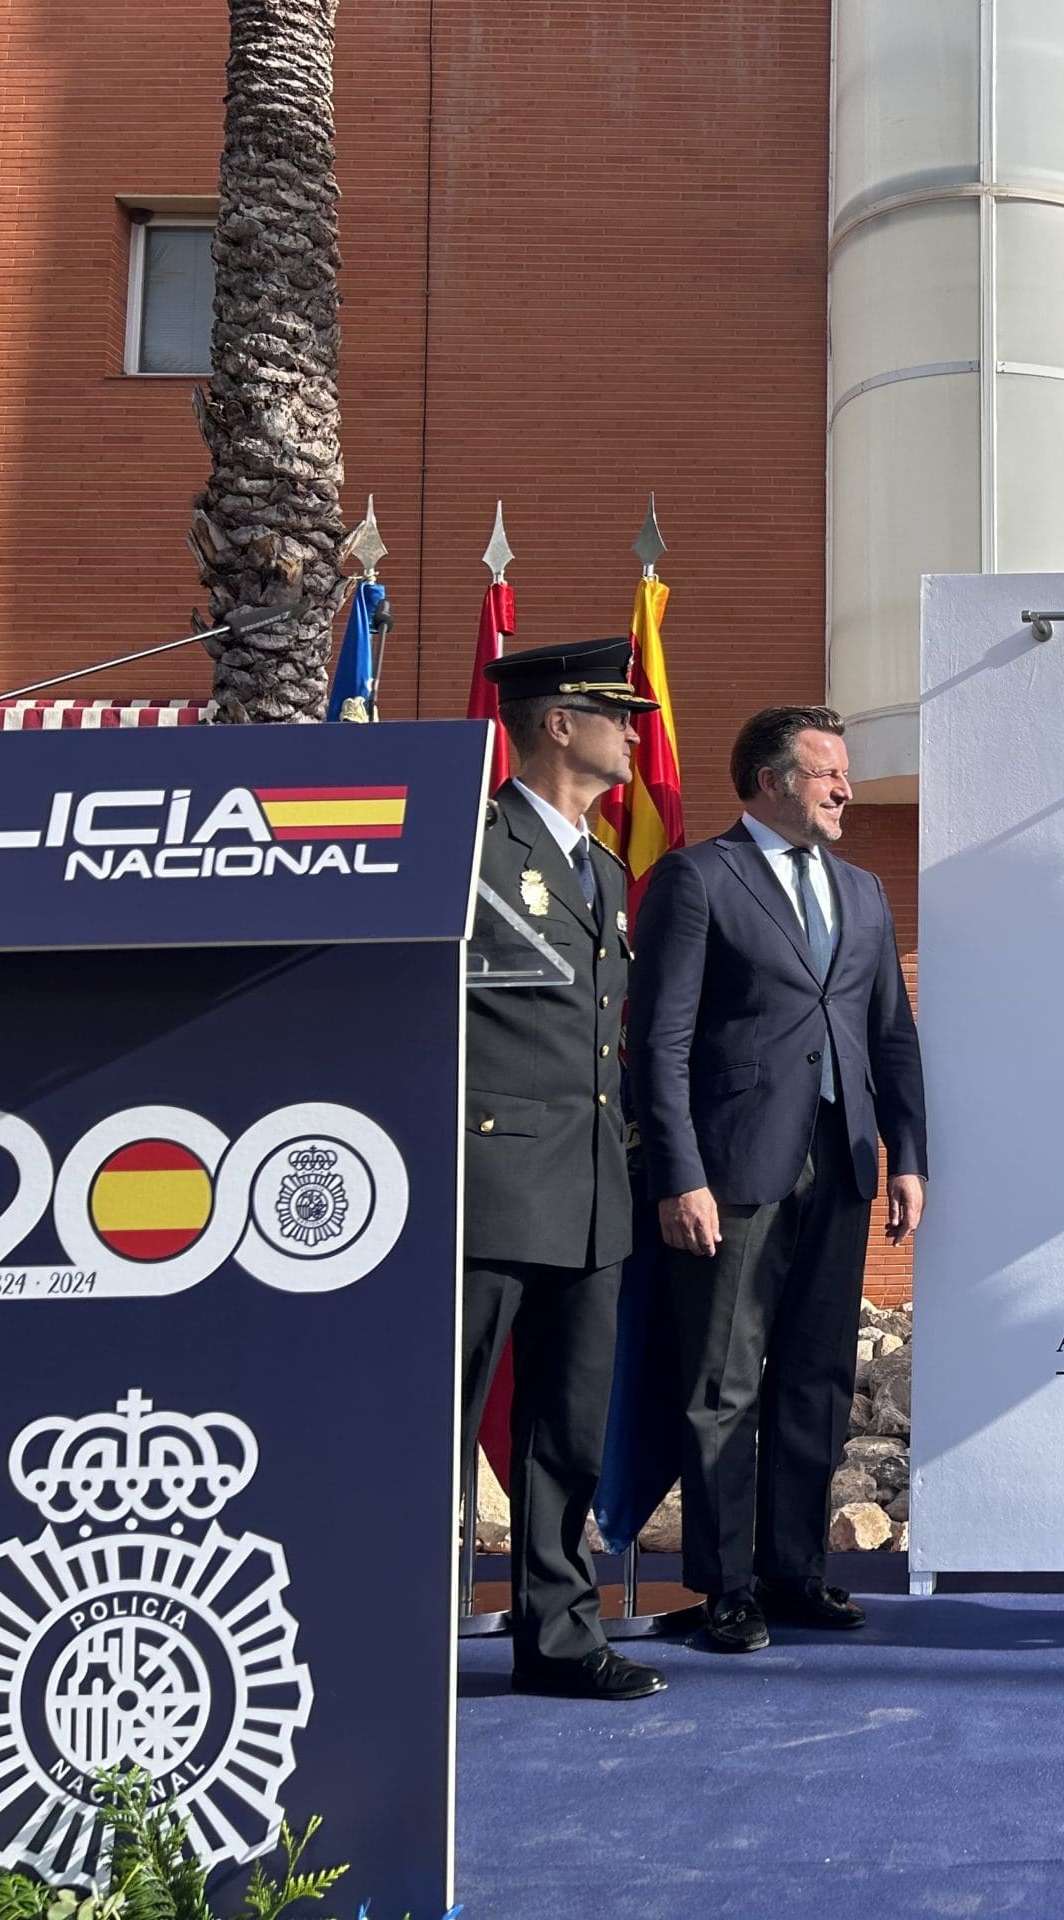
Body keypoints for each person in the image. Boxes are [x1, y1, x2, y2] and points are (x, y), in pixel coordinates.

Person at [628, 704, 928, 1652]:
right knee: (723, 1383)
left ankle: (794, 1572)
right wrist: (679, 1174)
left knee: (818, 1376)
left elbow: (891, 1035)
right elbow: (659, 1041)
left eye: (844, 774)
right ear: (770, 781)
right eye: (828, 773)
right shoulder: (697, 879)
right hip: (731, 1172)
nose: (846, 789)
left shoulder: (864, 892)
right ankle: (724, 1588)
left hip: (841, 1164)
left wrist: (908, 1154)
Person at [462, 636, 666, 1700]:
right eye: (614, 715)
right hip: (489, 1186)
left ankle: (556, 1637)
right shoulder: (473, 843)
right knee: (441, 1424)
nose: (632, 733)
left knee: (566, 1429)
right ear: (556, 723)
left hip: (590, 1190)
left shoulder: (603, 869)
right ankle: (388, 1631)